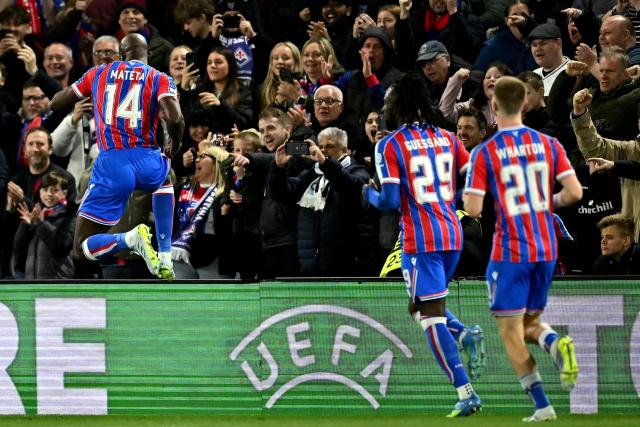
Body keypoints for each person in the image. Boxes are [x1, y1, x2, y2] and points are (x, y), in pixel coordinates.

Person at [463, 76, 583, 422]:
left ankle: (542, 404)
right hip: (546, 246)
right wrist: (546, 202)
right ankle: (554, 344)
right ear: (525, 104)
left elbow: (472, 209)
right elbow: (575, 193)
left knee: (509, 330)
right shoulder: (547, 144)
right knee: (531, 322)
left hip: (511, 250)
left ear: (495, 106)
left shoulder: (485, 152)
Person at [363, 73, 482, 417]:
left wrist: (366, 192)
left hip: (420, 238)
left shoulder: (389, 144)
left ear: (399, 104)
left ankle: (465, 391)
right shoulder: (447, 137)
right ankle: (464, 332)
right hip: (452, 233)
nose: (385, 106)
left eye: (388, 100)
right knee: (422, 308)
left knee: (428, 317)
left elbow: (387, 200)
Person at [49, 33, 184, 280]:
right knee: (163, 180)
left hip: (113, 163)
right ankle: (165, 255)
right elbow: (175, 119)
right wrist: (173, 146)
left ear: (121, 54)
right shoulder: (159, 77)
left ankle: (130, 239)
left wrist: (68, 97)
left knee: (81, 249)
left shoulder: (100, 72)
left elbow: (57, 104)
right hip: (149, 161)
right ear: (148, 55)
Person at [13, 171, 75, 279]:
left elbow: (60, 249)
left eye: (55, 190)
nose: (49, 194)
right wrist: (26, 225)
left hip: (57, 282)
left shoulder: (70, 218)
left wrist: (41, 224)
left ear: (64, 194)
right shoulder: (36, 216)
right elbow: (18, 249)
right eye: (45, 190)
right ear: (40, 192)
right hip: (31, 280)